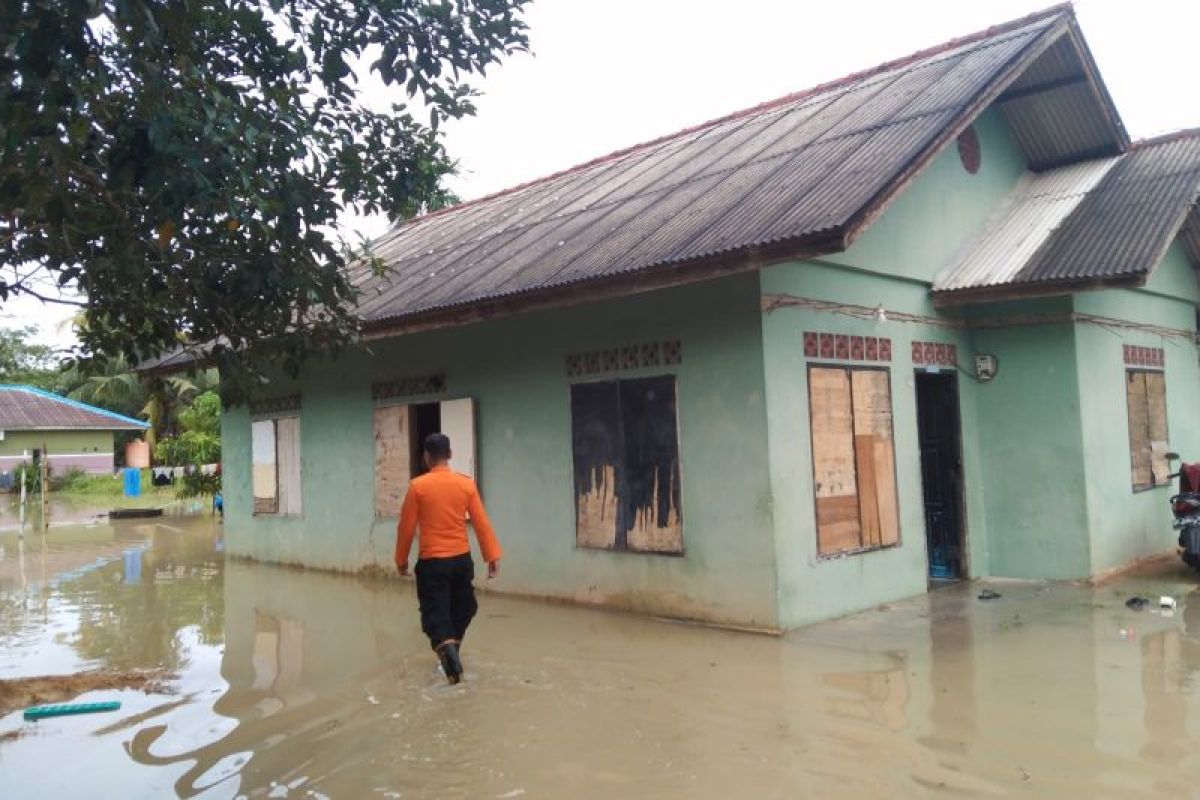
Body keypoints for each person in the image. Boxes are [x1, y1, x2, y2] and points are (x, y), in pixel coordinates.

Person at [395, 432, 502, 684]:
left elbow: (406, 528)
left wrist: (401, 561)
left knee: (438, 618)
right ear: (450, 455)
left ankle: (453, 674)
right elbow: (481, 522)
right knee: (462, 609)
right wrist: (492, 556)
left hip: (432, 564)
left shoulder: (417, 487)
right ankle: (450, 658)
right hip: (461, 563)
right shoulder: (466, 485)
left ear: (426, 457)